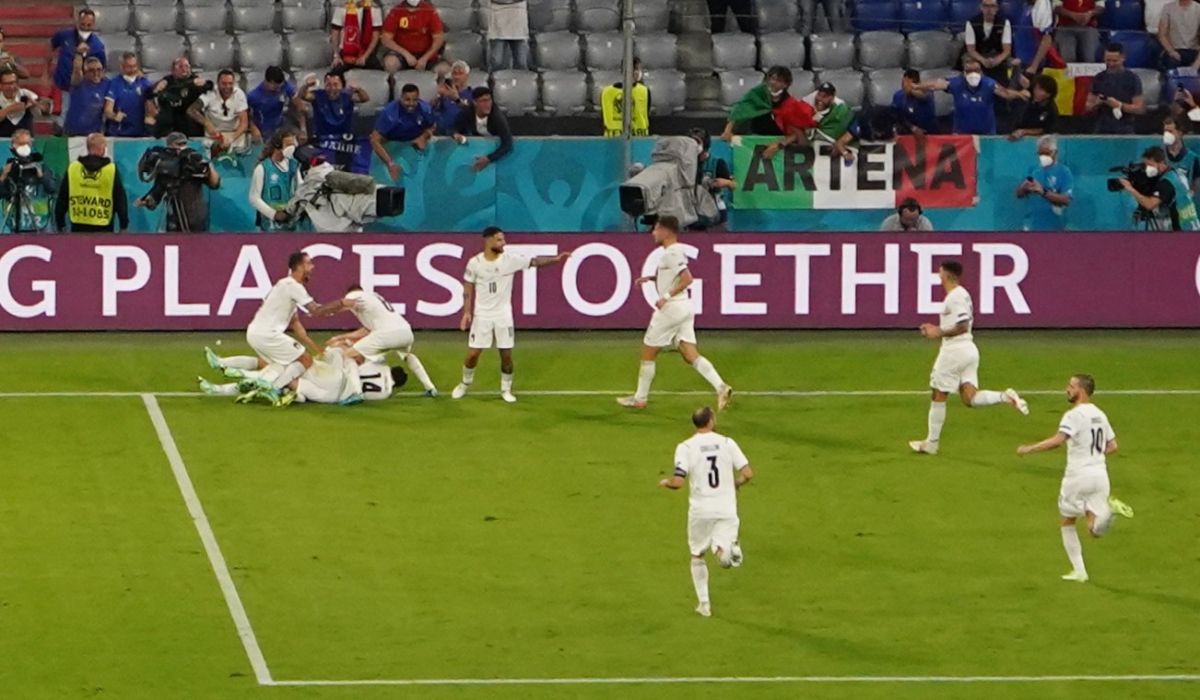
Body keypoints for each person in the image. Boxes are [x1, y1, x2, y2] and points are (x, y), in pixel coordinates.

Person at [1016, 374, 1135, 583]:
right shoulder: (1100, 414)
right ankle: (1110, 513)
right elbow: (1113, 446)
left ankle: (1079, 571)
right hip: (1100, 475)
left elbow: (1057, 441)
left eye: (1071, 386)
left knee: (1067, 521)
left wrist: (1029, 448)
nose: (1066, 389)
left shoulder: (1074, 415)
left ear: (1081, 390)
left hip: (1078, 476)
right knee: (1094, 529)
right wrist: (1094, 455)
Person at [909, 260, 1029, 456]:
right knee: (969, 398)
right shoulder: (962, 294)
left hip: (954, 351)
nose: (938, 274)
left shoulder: (955, 297)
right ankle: (1005, 396)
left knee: (938, 394)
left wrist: (937, 331)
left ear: (945, 274)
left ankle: (932, 443)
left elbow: (962, 325)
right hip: (969, 350)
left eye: (939, 271)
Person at [617, 216, 734, 411]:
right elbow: (673, 276)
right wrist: (651, 278)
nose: (653, 233)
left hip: (671, 309)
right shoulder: (675, 251)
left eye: (656, 229)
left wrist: (665, 296)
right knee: (690, 354)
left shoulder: (671, 253)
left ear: (666, 231)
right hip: (684, 307)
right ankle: (721, 387)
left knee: (648, 351)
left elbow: (687, 279)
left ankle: (640, 398)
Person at [450, 227, 571, 403]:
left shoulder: (511, 260)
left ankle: (506, 389)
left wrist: (556, 259)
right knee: (473, 353)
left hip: (503, 316)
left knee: (506, 354)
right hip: (482, 316)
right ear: (488, 240)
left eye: (503, 239)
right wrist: (466, 312)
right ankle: (464, 384)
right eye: (499, 240)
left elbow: (535, 262)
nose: (503, 243)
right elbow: (468, 287)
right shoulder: (474, 263)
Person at [214, 252, 345, 406]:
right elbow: (316, 310)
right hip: (268, 335)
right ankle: (274, 388)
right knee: (305, 360)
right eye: (309, 264)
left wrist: (313, 345)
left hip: (255, 333)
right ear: (299, 266)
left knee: (279, 368)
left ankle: (230, 385)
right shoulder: (293, 287)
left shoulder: (283, 285)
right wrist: (343, 303)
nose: (312, 267)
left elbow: (295, 322)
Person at [659, 406, 753, 618]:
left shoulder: (686, 447)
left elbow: (678, 482)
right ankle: (728, 552)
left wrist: (667, 483)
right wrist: (736, 483)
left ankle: (704, 604)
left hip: (701, 510)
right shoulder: (728, 443)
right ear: (711, 420)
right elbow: (747, 473)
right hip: (726, 507)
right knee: (721, 552)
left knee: (697, 554)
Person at [324, 284, 438, 397]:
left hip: (386, 333)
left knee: (348, 355)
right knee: (407, 356)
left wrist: (321, 310)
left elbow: (344, 303)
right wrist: (341, 337)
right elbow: (365, 331)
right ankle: (430, 388)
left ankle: (355, 393)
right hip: (406, 332)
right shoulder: (374, 299)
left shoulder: (356, 294)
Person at [133, 132, 221, 233]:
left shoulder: (192, 161)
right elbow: (158, 191)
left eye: (184, 144)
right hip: (174, 219)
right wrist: (147, 201)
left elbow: (215, 184)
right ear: (169, 146)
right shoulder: (165, 167)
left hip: (195, 217)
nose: (181, 148)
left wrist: (208, 164)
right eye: (178, 145)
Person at [722, 66, 816, 159]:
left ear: (786, 85)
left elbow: (798, 133)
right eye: (772, 79)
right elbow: (739, 110)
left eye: (779, 81)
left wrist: (779, 145)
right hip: (754, 140)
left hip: (780, 147)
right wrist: (727, 131)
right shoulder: (757, 94)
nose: (773, 83)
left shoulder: (790, 104)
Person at [922, 58, 1030, 135]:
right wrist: (917, 86)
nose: (973, 74)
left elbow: (1005, 93)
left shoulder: (989, 83)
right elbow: (936, 84)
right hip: (962, 133)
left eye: (976, 71)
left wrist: (1019, 94)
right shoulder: (957, 83)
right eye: (969, 71)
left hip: (986, 133)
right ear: (964, 73)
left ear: (981, 72)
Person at [54, 133, 127, 233]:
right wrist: (124, 224)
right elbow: (120, 199)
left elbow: (62, 197)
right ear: (102, 148)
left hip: (78, 225)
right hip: (104, 226)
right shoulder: (110, 169)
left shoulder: (73, 168)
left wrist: (60, 222)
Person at [1118, 145, 1200, 230]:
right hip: (1193, 226)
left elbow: (1149, 205)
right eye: (1145, 166)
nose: (1147, 169)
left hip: (1183, 230)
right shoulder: (1177, 173)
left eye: (1150, 165)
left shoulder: (1166, 182)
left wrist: (1130, 188)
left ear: (1161, 163)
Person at [371, 83, 435, 181]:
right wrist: (390, 164)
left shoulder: (425, 109)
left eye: (415, 100)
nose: (411, 104)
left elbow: (432, 126)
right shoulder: (390, 113)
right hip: (392, 148)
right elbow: (374, 140)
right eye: (407, 100)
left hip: (414, 148)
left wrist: (424, 136)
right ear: (401, 98)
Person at [49, 9, 105, 119]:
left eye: (89, 25)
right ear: (77, 21)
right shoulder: (64, 35)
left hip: (83, 88)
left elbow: (101, 69)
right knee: (61, 117)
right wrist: (46, 70)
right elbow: (50, 45)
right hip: (62, 84)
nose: (85, 27)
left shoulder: (98, 46)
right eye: (82, 24)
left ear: (93, 24)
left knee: (77, 117)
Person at [0, 129, 57, 233]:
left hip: (40, 223)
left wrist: (41, 175)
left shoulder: (41, 167)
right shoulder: (8, 169)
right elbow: (2, 194)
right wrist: (3, 176)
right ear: (13, 146)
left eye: (28, 144)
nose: (25, 147)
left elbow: (52, 188)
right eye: (21, 144)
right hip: (15, 222)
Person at [248, 129, 302, 231]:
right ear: (278, 145)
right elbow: (254, 198)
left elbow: (301, 189)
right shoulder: (262, 168)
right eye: (288, 144)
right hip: (269, 226)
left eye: (293, 144)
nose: (292, 148)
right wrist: (273, 214)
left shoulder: (294, 165)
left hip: (291, 225)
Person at [1016, 135, 1073, 231]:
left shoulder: (1064, 172)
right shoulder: (1033, 170)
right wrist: (1023, 188)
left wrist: (1043, 192)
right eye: (1040, 154)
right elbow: (1019, 194)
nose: (1043, 157)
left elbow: (1066, 199)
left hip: (1055, 226)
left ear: (1055, 153)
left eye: (1046, 153)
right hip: (1032, 225)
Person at [189, 69, 251, 158]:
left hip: (234, 134)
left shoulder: (239, 94)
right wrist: (207, 123)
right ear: (217, 83)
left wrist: (231, 138)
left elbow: (244, 124)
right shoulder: (209, 92)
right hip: (213, 134)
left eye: (230, 83)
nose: (227, 87)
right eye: (224, 83)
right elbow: (191, 110)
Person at [1086, 43, 1144, 135]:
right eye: (1108, 60)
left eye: (1115, 61)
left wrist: (1119, 105)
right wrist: (1097, 103)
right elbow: (1088, 106)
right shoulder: (1099, 78)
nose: (1111, 64)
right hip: (1102, 128)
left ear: (1123, 58)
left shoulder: (1132, 78)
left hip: (1125, 128)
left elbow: (1139, 108)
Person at [452, 87, 513, 172]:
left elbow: (507, 144)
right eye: (483, 101)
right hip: (478, 149)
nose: (488, 104)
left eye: (489, 100)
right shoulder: (467, 112)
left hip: (496, 154)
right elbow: (453, 127)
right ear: (475, 102)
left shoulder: (497, 118)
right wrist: (455, 134)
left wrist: (489, 159)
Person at [297, 70, 369, 139]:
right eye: (328, 85)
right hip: (322, 137)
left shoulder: (348, 95)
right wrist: (306, 85)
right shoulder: (318, 95)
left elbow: (364, 98)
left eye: (336, 84)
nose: (332, 88)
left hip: (344, 137)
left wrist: (358, 89)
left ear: (342, 85)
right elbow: (302, 95)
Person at [152, 57, 212, 138]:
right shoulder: (165, 83)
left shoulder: (196, 80)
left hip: (192, 128)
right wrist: (191, 85)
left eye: (187, 66)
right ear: (173, 70)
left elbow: (210, 85)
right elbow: (169, 93)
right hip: (169, 129)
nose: (184, 69)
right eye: (180, 67)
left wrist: (202, 83)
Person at [380, 0, 446, 72]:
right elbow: (385, 39)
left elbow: (439, 38)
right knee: (390, 63)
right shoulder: (396, 11)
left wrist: (425, 58)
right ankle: (393, 82)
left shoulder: (429, 10)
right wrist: (406, 54)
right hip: (402, 55)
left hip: (426, 55)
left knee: (444, 69)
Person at [104, 52, 155, 138]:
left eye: (134, 66)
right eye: (129, 66)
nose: (133, 69)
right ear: (121, 67)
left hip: (140, 134)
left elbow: (153, 110)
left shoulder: (145, 83)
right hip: (119, 134)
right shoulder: (114, 83)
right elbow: (107, 110)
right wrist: (115, 116)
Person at [965, 0, 1014, 85]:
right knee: (971, 64)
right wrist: (983, 60)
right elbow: (971, 50)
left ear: (997, 8)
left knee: (1012, 64)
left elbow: (1007, 50)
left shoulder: (1004, 22)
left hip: (997, 55)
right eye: (986, 6)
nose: (989, 9)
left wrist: (996, 60)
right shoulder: (971, 23)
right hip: (978, 55)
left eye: (992, 6)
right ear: (981, 7)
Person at [600, 57, 651, 137]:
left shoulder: (606, 92)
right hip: (621, 142)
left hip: (635, 141)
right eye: (637, 69)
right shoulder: (644, 91)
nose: (639, 72)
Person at [247, 66, 299, 144]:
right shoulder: (254, 96)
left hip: (281, 125)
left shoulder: (284, 85)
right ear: (269, 82)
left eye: (280, 86)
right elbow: (246, 115)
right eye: (276, 87)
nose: (279, 89)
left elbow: (298, 102)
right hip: (265, 131)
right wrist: (253, 128)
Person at [1013, 0, 1064, 78]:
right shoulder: (1026, 7)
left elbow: (1046, 38)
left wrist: (1034, 66)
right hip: (1019, 62)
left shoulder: (1043, 7)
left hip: (1031, 66)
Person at [331, 0, 384, 69]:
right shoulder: (342, 7)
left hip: (366, 52)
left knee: (379, 74)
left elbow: (375, 37)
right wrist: (336, 55)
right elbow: (335, 33)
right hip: (345, 52)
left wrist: (365, 56)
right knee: (334, 74)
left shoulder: (375, 8)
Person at [64, 56, 108, 137]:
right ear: (85, 72)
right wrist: (79, 54)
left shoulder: (107, 84)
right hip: (72, 132)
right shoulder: (78, 82)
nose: (96, 73)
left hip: (94, 133)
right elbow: (77, 69)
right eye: (91, 70)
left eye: (99, 69)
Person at [1009, 73, 1058, 139]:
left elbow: (1045, 129)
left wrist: (1024, 131)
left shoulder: (1051, 109)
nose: (1036, 92)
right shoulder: (1029, 97)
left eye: (1040, 90)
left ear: (1048, 94)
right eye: (1035, 88)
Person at [486, 0, 531, 71]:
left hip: (518, 20)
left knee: (521, 62)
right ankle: (495, 81)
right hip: (498, 20)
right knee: (497, 62)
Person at [431, 60, 473, 134]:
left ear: (467, 76)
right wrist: (438, 96)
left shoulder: (472, 93)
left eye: (460, 73)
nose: (457, 77)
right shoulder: (445, 93)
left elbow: (473, 113)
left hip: (463, 133)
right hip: (442, 133)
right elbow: (430, 109)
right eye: (454, 73)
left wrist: (456, 99)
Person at [892, 69, 938, 136]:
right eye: (904, 82)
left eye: (909, 82)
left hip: (928, 132)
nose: (905, 85)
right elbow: (897, 115)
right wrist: (912, 128)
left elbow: (924, 97)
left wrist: (911, 90)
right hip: (907, 131)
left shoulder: (927, 92)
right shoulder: (898, 95)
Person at [0, 68, 43, 138]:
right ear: (0, 85)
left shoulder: (26, 94)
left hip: (25, 141)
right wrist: (10, 109)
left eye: (14, 82)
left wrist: (33, 105)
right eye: (7, 83)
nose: (11, 87)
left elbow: (39, 114)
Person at [1157, 0, 1200, 69]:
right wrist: (1171, 51)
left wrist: (1197, 64)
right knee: (1170, 63)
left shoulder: (1198, 9)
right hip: (1175, 49)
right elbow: (1162, 35)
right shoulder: (1168, 8)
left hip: (1194, 51)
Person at [1163, 115, 1200, 194]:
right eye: (1165, 131)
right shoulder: (1159, 155)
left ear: (1180, 133)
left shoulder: (1193, 158)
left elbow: (1195, 186)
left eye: (1170, 131)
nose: (1166, 134)